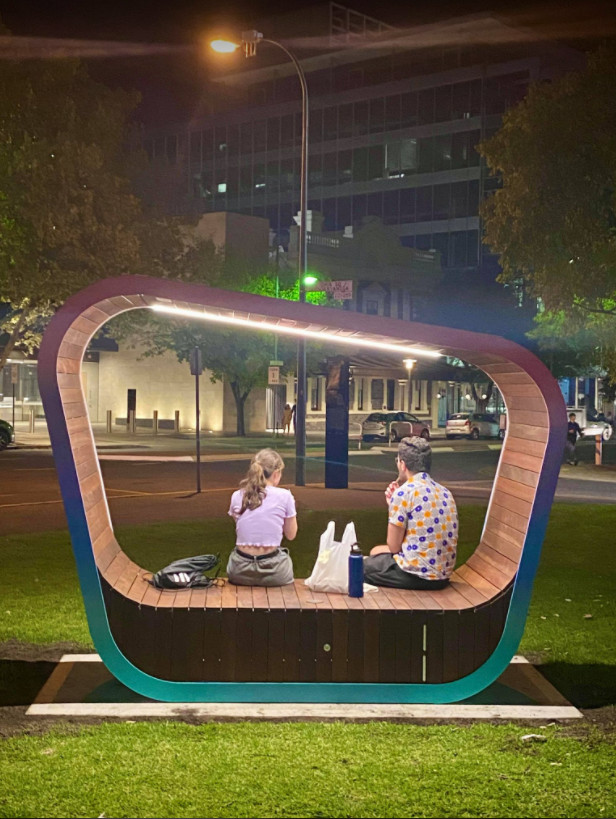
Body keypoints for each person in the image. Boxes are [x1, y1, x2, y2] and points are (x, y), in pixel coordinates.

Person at [363, 436, 458, 590]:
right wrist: (393, 505)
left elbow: (394, 547)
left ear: (403, 464)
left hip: (416, 575)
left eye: (397, 460)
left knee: (360, 567)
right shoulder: (445, 492)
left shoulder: (404, 493)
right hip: (442, 575)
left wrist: (394, 505)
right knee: (375, 553)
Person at [226, 448, 297, 586]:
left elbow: (240, 526)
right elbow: (291, 535)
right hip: (275, 571)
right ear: (276, 474)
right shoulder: (285, 496)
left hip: (239, 570)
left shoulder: (237, 495)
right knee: (284, 556)